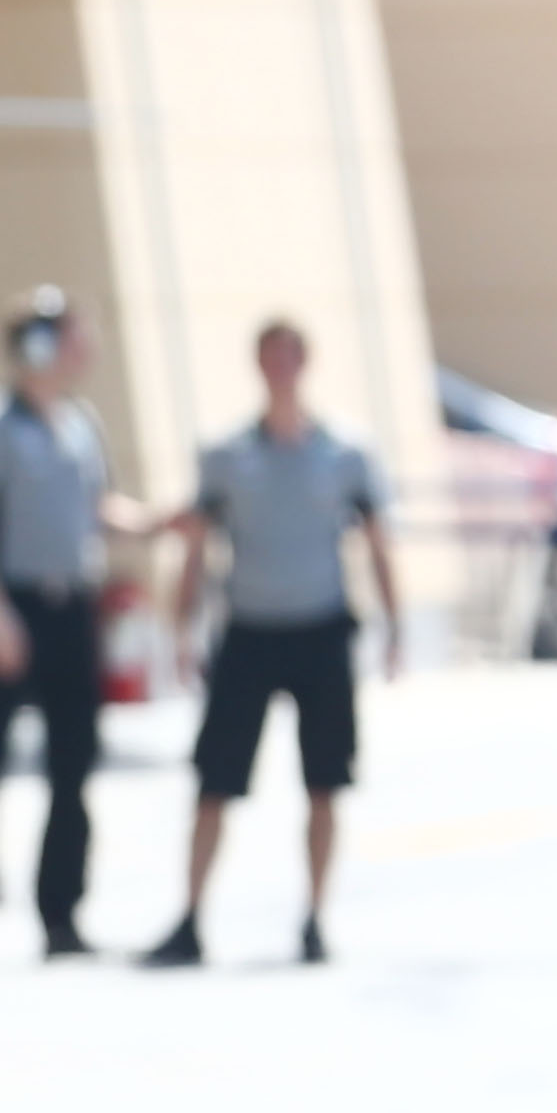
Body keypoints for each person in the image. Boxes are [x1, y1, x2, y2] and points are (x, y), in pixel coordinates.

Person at [145, 318, 403, 968]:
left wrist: (395, 626)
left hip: (320, 629)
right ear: (258, 365)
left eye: (290, 357)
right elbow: (197, 547)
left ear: (305, 363)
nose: (281, 368)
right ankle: (191, 918)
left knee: (325, 782)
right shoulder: (227, 454)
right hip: (250, 632)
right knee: (215, 781)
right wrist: (182, 630)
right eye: (270, 358)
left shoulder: (345, 452)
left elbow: (377, 543)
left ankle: (315, 918)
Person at [0, 287, 169, 958]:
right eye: (67, 335)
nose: (80, 348)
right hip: (14, 605)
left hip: (73, 608)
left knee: (73, 767)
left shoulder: (77, 423)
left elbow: (98, 507)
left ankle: (60, 914)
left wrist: (156, 523)